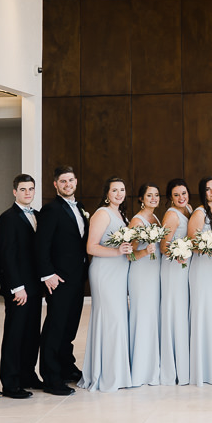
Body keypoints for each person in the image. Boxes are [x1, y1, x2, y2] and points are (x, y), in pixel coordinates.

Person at [35, 165, 89, 396]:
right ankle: (51, 376)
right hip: (58, 279)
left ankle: (66, 366)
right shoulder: (50, 210)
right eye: (63, 182)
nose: (68, 185)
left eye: (71, 180)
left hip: (78, 277)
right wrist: (48, 274)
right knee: (55, 327)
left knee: (70, 326)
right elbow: (41, 245)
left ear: (76, 182)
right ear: (56, 185)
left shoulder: (81, 207)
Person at [79, 177, 134, 392]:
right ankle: (107, 375)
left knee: (118, 320)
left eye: (122, 190)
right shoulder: (102, 213)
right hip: (105, 272)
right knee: (110, 321)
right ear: (107, 193)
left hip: (119, 272)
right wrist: (117, 251)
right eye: (114, 190)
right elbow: (91, 247)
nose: (119, 194)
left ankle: (118, 372)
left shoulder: (121, 214)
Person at [0, 174, 43, 399]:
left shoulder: (38, 216)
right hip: (19, 288)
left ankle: (28, 374)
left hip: (35, 287)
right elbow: (7, 256)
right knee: (15, 334)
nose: (27, 193)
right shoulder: (7, 218)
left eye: (31, 189)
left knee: (32, 333)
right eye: (23, 189)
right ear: (15, 192)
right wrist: (16, 287)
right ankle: (10, 383)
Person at [187, 177, 212, 386]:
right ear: (202, 192)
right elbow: (192, 241)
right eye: (208, 189)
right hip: (201, 267)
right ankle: (202, 369)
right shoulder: (199, 212)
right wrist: (209, 246)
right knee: (203, 314)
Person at [128, 183, 162, 387]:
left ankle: (152, 365)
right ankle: (140, 369)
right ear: (141, 198)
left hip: (154, 273)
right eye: (149, 195)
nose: (153, 198)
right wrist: (144, 251)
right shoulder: (136, 221)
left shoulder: (156, 218)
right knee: (142, 318)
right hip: (141, 274)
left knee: (152, 318)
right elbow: (130, 254)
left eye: (156, 195)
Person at [159, 179, 193, 386]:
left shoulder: (188, 209)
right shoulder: (171, 215)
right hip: (173, 267)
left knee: (183, 311)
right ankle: (174, 365)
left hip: (185, 267)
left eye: (184, 193)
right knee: (175, 311)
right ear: (170, 198)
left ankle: (185, 360)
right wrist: (177, 254)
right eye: (177, 195)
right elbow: (164, 246)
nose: (181, 198)